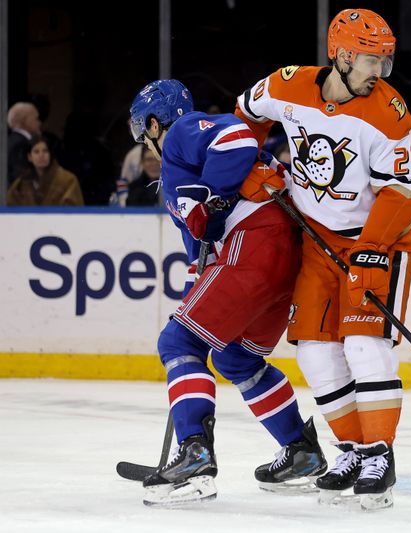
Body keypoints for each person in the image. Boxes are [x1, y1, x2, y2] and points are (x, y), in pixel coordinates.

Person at [234, 8, 411, 510]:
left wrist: (371, 251)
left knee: (362, 343)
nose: (379, 74)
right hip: (316, 240)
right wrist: (250, 165)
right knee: (316, 352)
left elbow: (403, 194)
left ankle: (380, 453)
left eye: (385, 63)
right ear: (339, 56)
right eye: (369, 62)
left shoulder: (389, 112)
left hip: (379, 239)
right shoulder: (286, 85)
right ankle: (351, 450)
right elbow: (243, 118)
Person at [128, 79, 326, 506]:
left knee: (178, 342)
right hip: (278, 256)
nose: (143, 141)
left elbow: (237, 137)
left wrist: (215, 199)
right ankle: (301, 450)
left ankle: (195, 453)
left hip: (256, 240)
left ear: (155, 123)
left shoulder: (182, 134)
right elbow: (201, 249)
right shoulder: (174, 176)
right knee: (237, 357)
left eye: (142, 130)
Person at [7, 134, 83, 206]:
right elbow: (10, 209)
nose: (41, 155)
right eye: (36, 152)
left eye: (45, 151)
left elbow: (73, 211)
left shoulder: (68, 180)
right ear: (29, 157)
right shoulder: (21, 184)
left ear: (50, 155)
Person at [6, 102, 42, 185]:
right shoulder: (20, 144)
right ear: (26, 120)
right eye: (36, 119)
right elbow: (22, 180)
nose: (39, 123)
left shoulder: (11, 140)